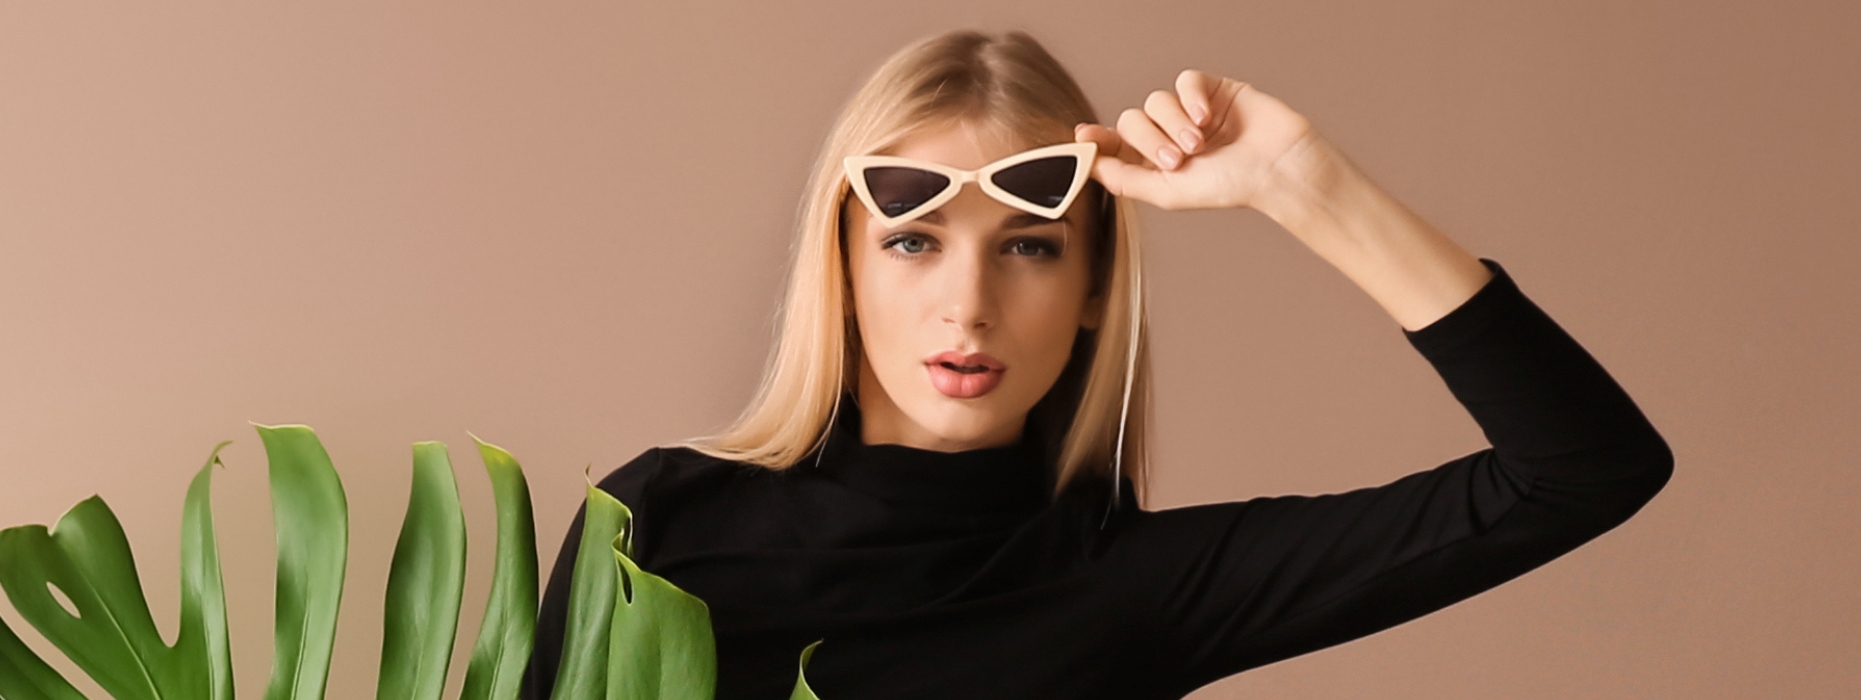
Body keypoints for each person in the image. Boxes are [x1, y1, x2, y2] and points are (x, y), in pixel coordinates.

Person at [521, 29, 1673, 700]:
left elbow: (1585, 469)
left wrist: (1303, 185)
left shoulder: (1140, 584)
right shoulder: (658, 521)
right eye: (913, 240)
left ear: (1090, 292)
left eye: (1029, 246)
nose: (968, 304)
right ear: (845, 267)